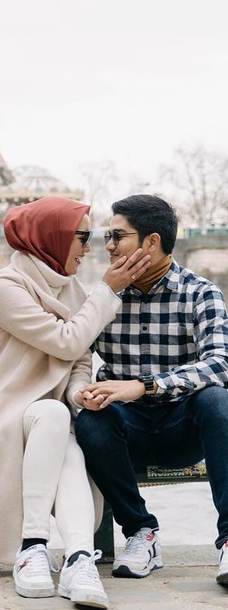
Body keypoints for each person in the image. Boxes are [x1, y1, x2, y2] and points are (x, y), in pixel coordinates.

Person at [0, 196, 149, 610]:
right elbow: (66, 340)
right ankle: (38, 545)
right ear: (52, 237)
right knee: (57, 422)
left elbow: (79, 361)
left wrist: (80, 394)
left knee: (60, 421)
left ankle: (72, 557)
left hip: (48, 419)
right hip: (1, 413)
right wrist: (106, 291)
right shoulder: (4, 285)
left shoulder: (73, 290)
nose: (90, 248)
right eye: (83, 237)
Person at [73, 194, 228, 585]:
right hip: (126, 431)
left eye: (117, 236)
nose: (107, 246)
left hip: (184, 425)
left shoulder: (201, 293)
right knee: (91, 416)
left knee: (218, 400)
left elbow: (220, 364)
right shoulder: (102, 297)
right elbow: (62, 354)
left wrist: (144, 386)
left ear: (152, 242)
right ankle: (142, 533)